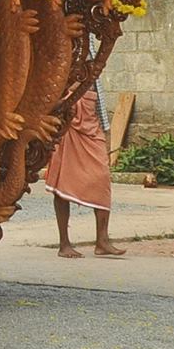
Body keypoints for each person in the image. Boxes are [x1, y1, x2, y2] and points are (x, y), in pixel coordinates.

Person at [42, 78, 123, 258]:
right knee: (62, 183)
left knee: (102, 177)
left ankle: (102, 241)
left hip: (90, 119)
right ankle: (64, 244)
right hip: (66, 118)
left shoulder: (92, 51)